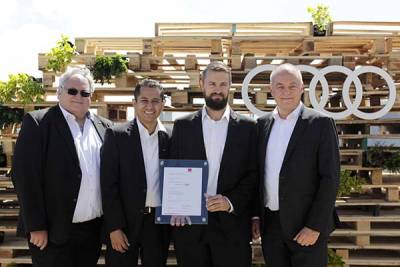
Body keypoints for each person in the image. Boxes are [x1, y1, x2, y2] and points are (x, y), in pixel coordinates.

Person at [12, 67, 113, 267]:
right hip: (51, 232)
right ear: (59, 92)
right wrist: (36, 226)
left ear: (91, 96)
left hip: (91, 231)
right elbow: (25, 177)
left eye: (84, 93)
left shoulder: (104, 126)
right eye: (72, 91)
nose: (78, 97)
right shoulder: (39, 123)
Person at [169, 61, 258, 267]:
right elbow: (174, 170)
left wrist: (230, 202)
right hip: (190, 226)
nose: (217, 90)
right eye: (212, 84)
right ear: (202, 84)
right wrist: (177, 205)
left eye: (222, 84)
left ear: (229, 87)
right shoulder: (183, 126)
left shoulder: (248, 128)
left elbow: (253, 174)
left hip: (232, 227)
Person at [252, 63, 340, 267]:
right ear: (271, 90)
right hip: (271, 225)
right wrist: (256, 215)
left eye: (292, 86)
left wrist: (314, 226)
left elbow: (330, 178)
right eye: (280, 86)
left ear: (302, 88)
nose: (286, 92)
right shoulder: (261, 125)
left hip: (306, 225)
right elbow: (257, 175)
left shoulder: (320, 124)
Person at [101, 79, 170, 267]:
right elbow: (108, 185)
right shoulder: (117, 136)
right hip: (125, 223)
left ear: (163, 104)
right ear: (134, 103)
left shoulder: (170, 138)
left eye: (155, 101)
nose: (150, 106)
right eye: (144, 100)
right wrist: (114, 227)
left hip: (158, 224)